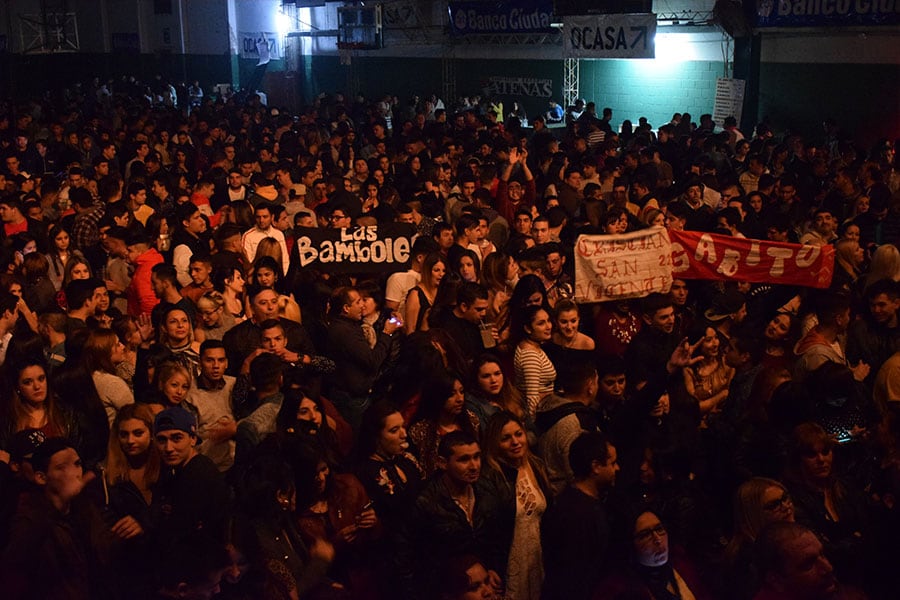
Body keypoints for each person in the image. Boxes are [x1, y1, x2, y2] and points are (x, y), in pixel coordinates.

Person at [401, 431, 514, 598]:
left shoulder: (486, 490)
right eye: (464, 459)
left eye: (476, 457)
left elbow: (498, 537)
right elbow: (407, 556)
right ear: (442, 463)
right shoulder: (424, 500)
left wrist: (493, 568)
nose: (474, 466)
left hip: (480, 585)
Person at [0, 438, 116, 599]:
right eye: (62, 467)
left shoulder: (84, 507)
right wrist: (60, 503)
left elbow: (106, 554)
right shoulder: (29, 515)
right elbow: (14, 567)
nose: (73, 473)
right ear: (41, 477)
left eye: (77, 464)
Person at [541, 431, 620, 600]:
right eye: (612, 463)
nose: (617, 468)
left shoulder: (572, 501)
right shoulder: (580, 516)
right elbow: (574, 575)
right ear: (596, 467)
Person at [483, 411, 550, 600]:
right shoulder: (491, 476)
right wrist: (491, 565)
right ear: (495, 443)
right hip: (508, 561)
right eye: (506, 438)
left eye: (518, 434)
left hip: (537, 558)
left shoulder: (536, 466)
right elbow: (489, 528)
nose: (515, 442)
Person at [151, 406, 231, 548]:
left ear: (193, 439)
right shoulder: (183, 469)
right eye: (162, 440)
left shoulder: (198, 475)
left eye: (177, 438)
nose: (168, 448)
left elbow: (179, 533)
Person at [325, 286, 401, 430]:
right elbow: (372, 361)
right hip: (352, 399)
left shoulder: (347, 326)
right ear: (346, 308)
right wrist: (387, 333)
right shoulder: (346, 332)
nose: (362, 306)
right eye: (359, 302)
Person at [356, 402, 425, 531]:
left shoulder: (406, 459)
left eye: (403, 427)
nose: (404, 434)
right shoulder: (365, 472)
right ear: (376, 437)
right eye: (394, 430)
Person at [409, 370, 481, 477]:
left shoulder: (471, 420)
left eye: (461, 392)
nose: (460, 399)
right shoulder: (420, 430)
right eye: (452, 394)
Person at [513, 305, 556, 419]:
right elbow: (532, 397)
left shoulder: (533, 346)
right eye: (541, 323)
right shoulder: (530, 355)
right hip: (540, 414)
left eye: (548, 321)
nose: (548, 326)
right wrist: (534, 426)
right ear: (528, 328)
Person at [83, 328, 134, 424]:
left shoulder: (90, 376)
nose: (123, 347)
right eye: (118, 344)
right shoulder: (111, 383)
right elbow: (133, 414)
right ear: (105, 351)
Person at [405, 252, 446, 334]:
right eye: (436, 270)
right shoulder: (415, 294)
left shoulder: (444, 291)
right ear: (427, 271)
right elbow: (410, 330)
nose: (441, 274)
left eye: (444, 271)